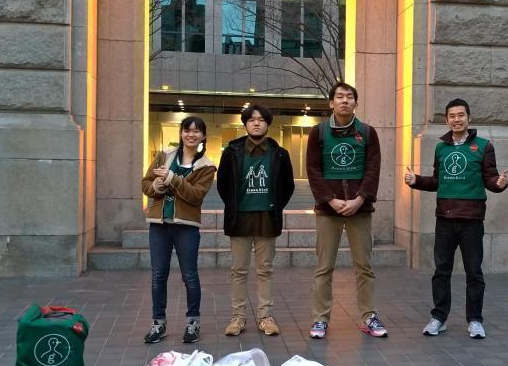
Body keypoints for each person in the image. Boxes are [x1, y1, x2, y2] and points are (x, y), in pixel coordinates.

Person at [404, 98, 508, 339]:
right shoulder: (441, 148)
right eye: (452, 116)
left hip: (472, 220)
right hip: (445, 219)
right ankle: (439, 318)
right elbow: (437, 181)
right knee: (441, 270)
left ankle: (475, 320)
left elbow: (490, 179)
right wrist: (417, 181)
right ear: (447, 119)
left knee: (474, 272)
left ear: (468, 118)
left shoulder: (483, 146)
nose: (456, 119)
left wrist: (500, 184)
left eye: (461, 115)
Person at [306, 82, 386, 339]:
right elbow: (313, 170)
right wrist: (330, 199)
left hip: (359, 209)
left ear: (355, 103)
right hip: (328, 209)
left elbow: (373, 169)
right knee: (324, 267)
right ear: (331, 103)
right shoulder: (318, 133)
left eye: (349, 97)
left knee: (364, 266)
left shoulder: (368, 132)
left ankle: (369, 316)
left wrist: (360, 199)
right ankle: (320, 319)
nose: (344, 101)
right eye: (339, 97)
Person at [216, 105, 295, 337]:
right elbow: (223, 184)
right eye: (252, 120)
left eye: (261, 120)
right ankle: (238, 317)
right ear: (245, 124)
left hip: (266, 218)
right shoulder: (232, 152)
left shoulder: (279, 153)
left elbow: (287, 186)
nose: (256, 123)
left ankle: (265, 317)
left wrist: (275, 206)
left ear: (268, 124)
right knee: (239, 270)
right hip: (240, 219)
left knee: (265, 270)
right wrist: (234, 206)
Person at [141, 116, 216, 344]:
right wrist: (156, 185)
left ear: (203, 136)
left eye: (196, 131)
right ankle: (158, 324)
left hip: (186, 227)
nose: (190, 135)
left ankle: (193, 323)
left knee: (190, 276)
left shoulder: (206, 166)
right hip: (160, 224)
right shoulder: (164, 155)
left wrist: (172, 178)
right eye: (186, 130)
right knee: (158, 276)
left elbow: (195, 196)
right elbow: (145, 184)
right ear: (181, 133)